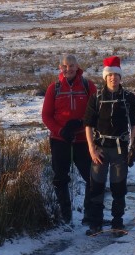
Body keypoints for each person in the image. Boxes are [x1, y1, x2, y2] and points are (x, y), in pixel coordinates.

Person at [82, 56, 135, 236]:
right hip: (100, 149)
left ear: (120, 77)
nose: (113, 78)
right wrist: (91, 148)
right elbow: (88, 125)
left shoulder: (130, 98)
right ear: (105, 78)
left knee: (118, 188)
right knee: (96, 187)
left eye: (116, 75)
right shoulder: (96, 98)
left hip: (120, 150)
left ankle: (117, 223)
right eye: (110, 76)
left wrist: (133, 147)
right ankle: (95, 223)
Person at [41, 54, 97, 224]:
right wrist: (61, 130)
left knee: (92, 177)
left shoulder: (88, 86)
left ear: (77, 66)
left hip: (82, 140)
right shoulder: (54, 88)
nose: (68, 69)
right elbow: (46, 116)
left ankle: (89, 215)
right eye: (65, 66)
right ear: (60, 68)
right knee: (60, 178)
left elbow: (96, 111)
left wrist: (82, 123)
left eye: (71, 65)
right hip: (60, 140)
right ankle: (65, 216)